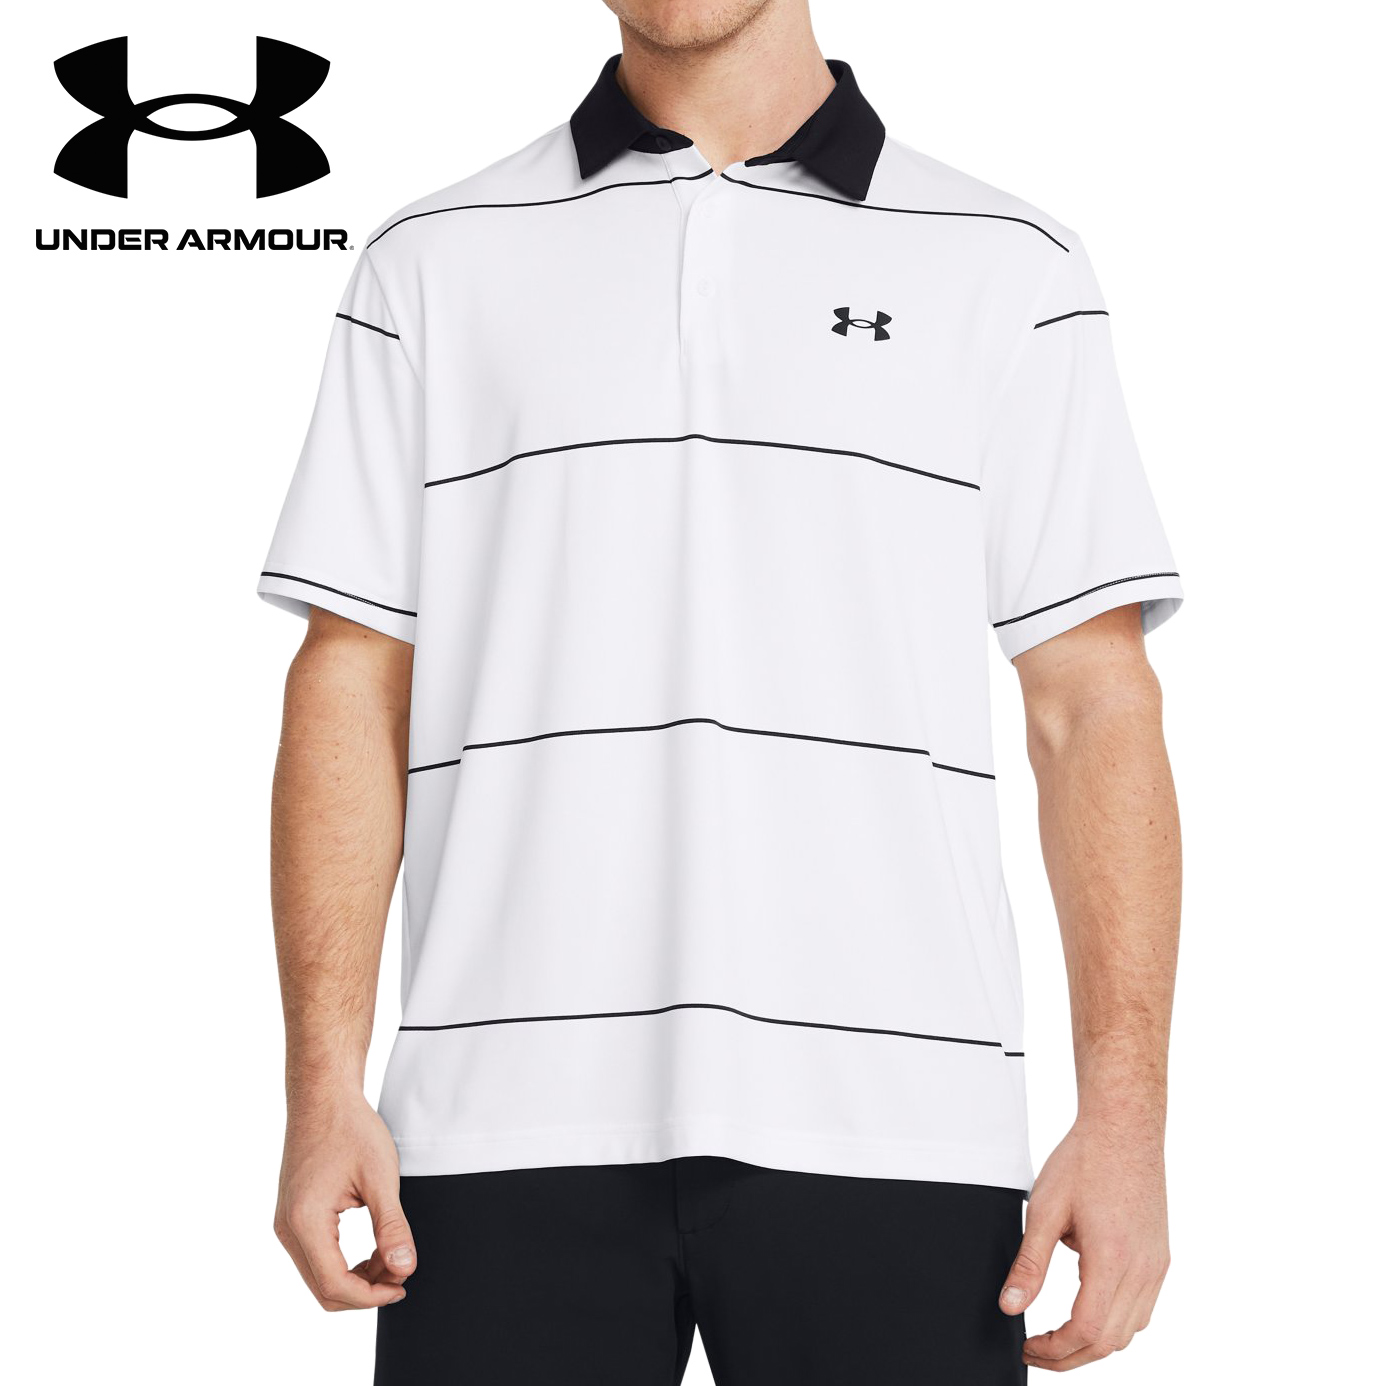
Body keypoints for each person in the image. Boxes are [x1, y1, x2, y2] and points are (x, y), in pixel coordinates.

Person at [260, 1, 1182, 1380]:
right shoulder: (431, 262)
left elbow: (1091, 703)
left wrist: (1125, 1120)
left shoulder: (1007, 263)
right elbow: (349, 683)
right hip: (496, 1121)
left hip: (900, 1118)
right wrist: (320, 1085)